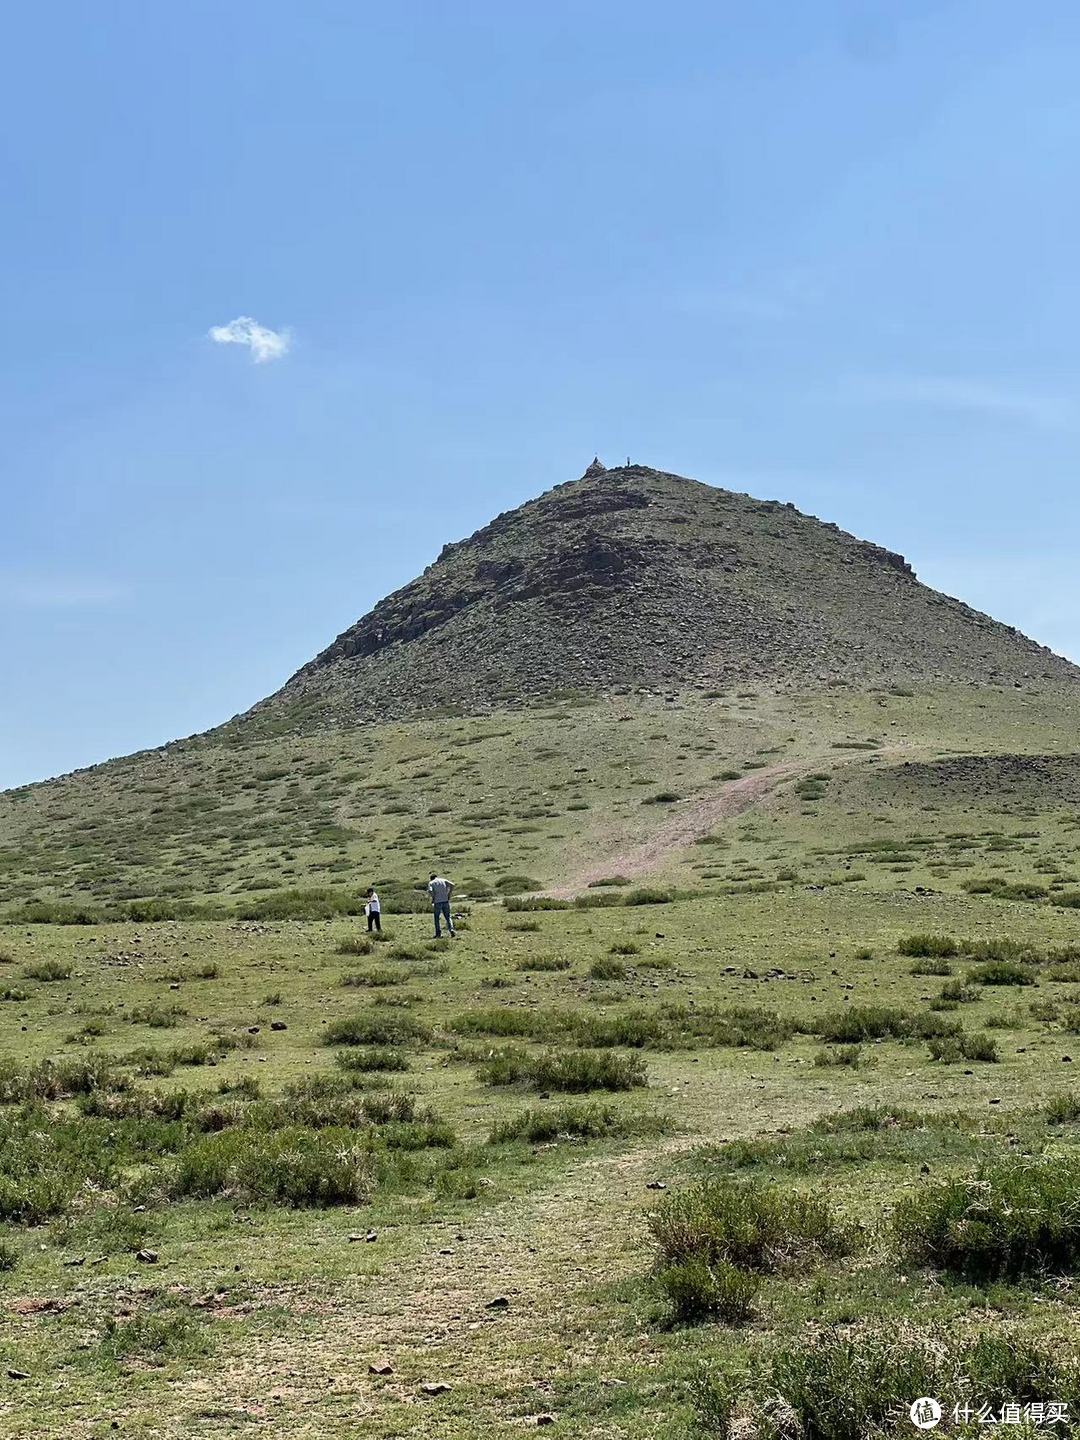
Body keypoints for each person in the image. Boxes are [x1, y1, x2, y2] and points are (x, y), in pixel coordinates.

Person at [427, 872, 455, 938]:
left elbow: (430, 891)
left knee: (436, 918)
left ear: (431, 878)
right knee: (448, 916)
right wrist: (449, 894)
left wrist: (433, 897)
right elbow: (452, 885)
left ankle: (438, 933)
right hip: (445, 900)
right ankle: (451, 930)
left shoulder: (431, 883)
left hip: (437, 902)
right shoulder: (443, 880)